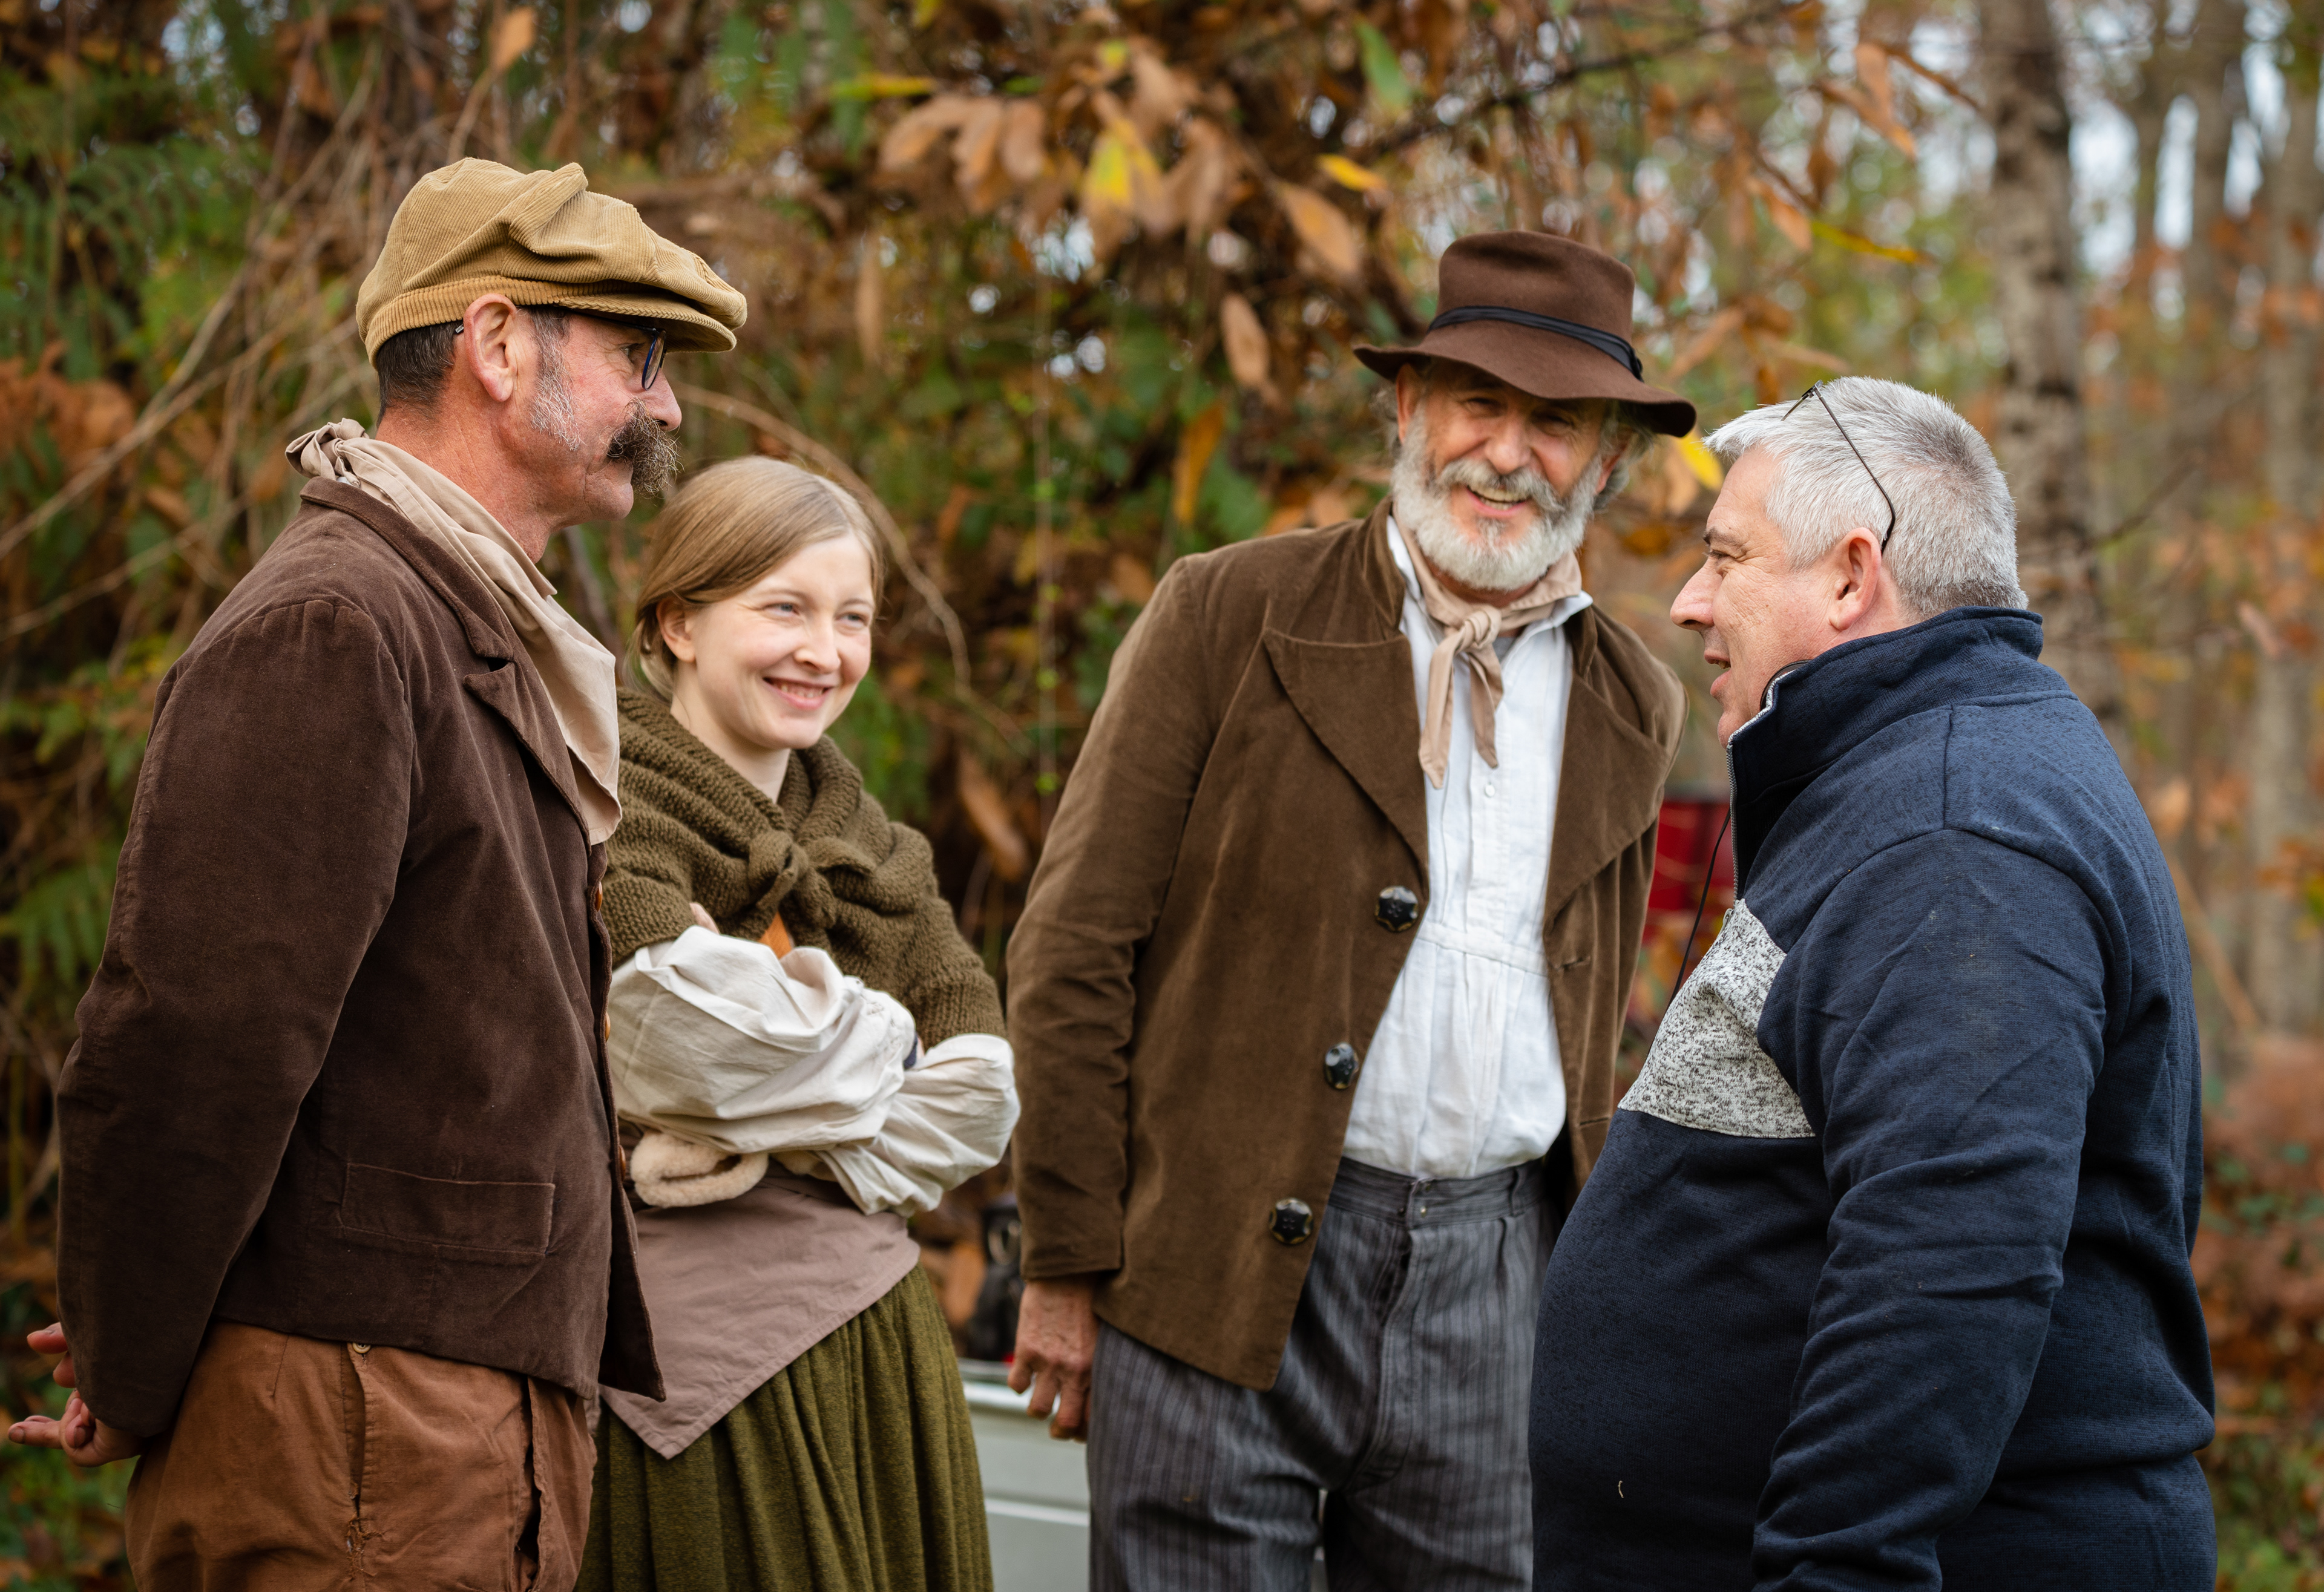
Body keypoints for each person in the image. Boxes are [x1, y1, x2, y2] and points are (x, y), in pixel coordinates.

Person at [6, 159, 745, 1591]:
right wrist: (133, 1349)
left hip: (430, 1434)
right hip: (356, 1436)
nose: (663, 405)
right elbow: (190, 1042)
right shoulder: (341, 622)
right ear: (497, 343)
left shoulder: (462, 619)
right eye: (637, 355)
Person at [1005, 231, 1695, 1590]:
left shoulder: (1635, 698)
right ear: (1405, 411)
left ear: (1607, 458)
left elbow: (1604, 1024)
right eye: (1476, 405)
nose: (1506, 454)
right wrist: (1067, 1259)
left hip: (1501, 1301)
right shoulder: (1229, 611)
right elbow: (1075, 949)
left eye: (1555, 423)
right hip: (1208, 1268)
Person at [1528, 377, 2216, 1589]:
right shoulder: (1917, 786)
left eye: (1725, 557)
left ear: (1851, 577)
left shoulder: (1959, 831)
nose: (1689, 602)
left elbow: (1948, 1268)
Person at [580, 456, 1016, 1591]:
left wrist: (790, 1092)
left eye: (853, 618)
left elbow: (981, 1089)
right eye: (784, 608)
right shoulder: (607, 795)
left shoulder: (867, 837)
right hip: (688, 1364)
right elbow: (674, 1040)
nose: (825, 651)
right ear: (678, 621)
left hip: (877, 1344)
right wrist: (884, 1055)